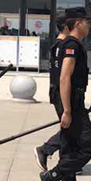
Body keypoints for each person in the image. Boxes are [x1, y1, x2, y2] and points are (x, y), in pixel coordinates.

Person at [39, 7, 91, 181]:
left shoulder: (65, 44)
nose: (89, 25)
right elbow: (64, 78)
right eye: (87, 21)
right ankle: (53, 175)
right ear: (78, 23)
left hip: (68, 100)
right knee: (87, 147)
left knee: (69, 146)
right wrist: (67, 110)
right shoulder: (72, 45)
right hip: (71, 102)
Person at [34, 15, 69, 172]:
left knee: (69, 128)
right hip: (60, 92)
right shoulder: (63, 46)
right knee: (70, 128)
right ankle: (45, 149)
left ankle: (67, 159)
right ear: (66, 27)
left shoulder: (56, 45)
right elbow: (63, 76)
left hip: (56, 91)